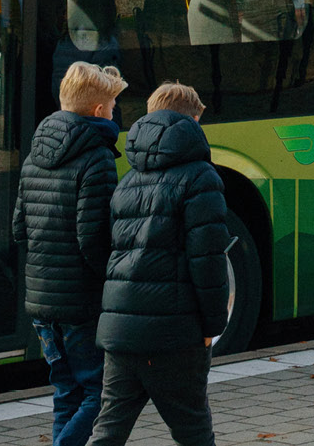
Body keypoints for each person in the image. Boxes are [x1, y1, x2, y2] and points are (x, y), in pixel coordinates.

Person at [87, 83, 228, 446]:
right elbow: (207, 260)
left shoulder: (129, 179)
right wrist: (213, 324)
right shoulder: (201, 177)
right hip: (174, 334)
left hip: (121, 332)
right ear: (192, 121)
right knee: (194, 431)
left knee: (108, 430)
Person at [13, 62, 126, 446]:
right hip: (81, 301)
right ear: (98, 111)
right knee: (98, 393)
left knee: (65, 392)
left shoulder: (34, 155)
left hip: (41, 302)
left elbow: (19, 229)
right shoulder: (97, 158)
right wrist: (111, 279)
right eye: (112, 106)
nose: (114, 114)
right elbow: (93, 239)